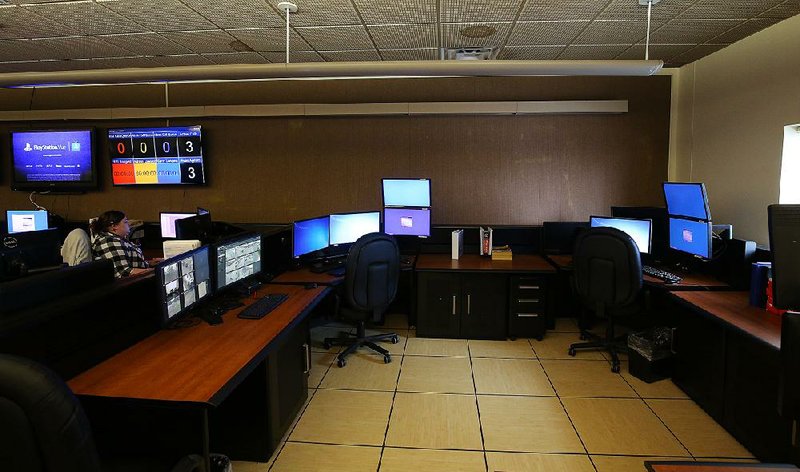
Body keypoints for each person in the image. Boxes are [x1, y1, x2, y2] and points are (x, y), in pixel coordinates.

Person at [90, 210, 150, 278]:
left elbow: (129, 261)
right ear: (114, 226)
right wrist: (153, 271)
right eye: (125, 222)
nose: (129, 224)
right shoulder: (110, 242)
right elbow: (124, 272)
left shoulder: (116, 238)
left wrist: (150, 263)